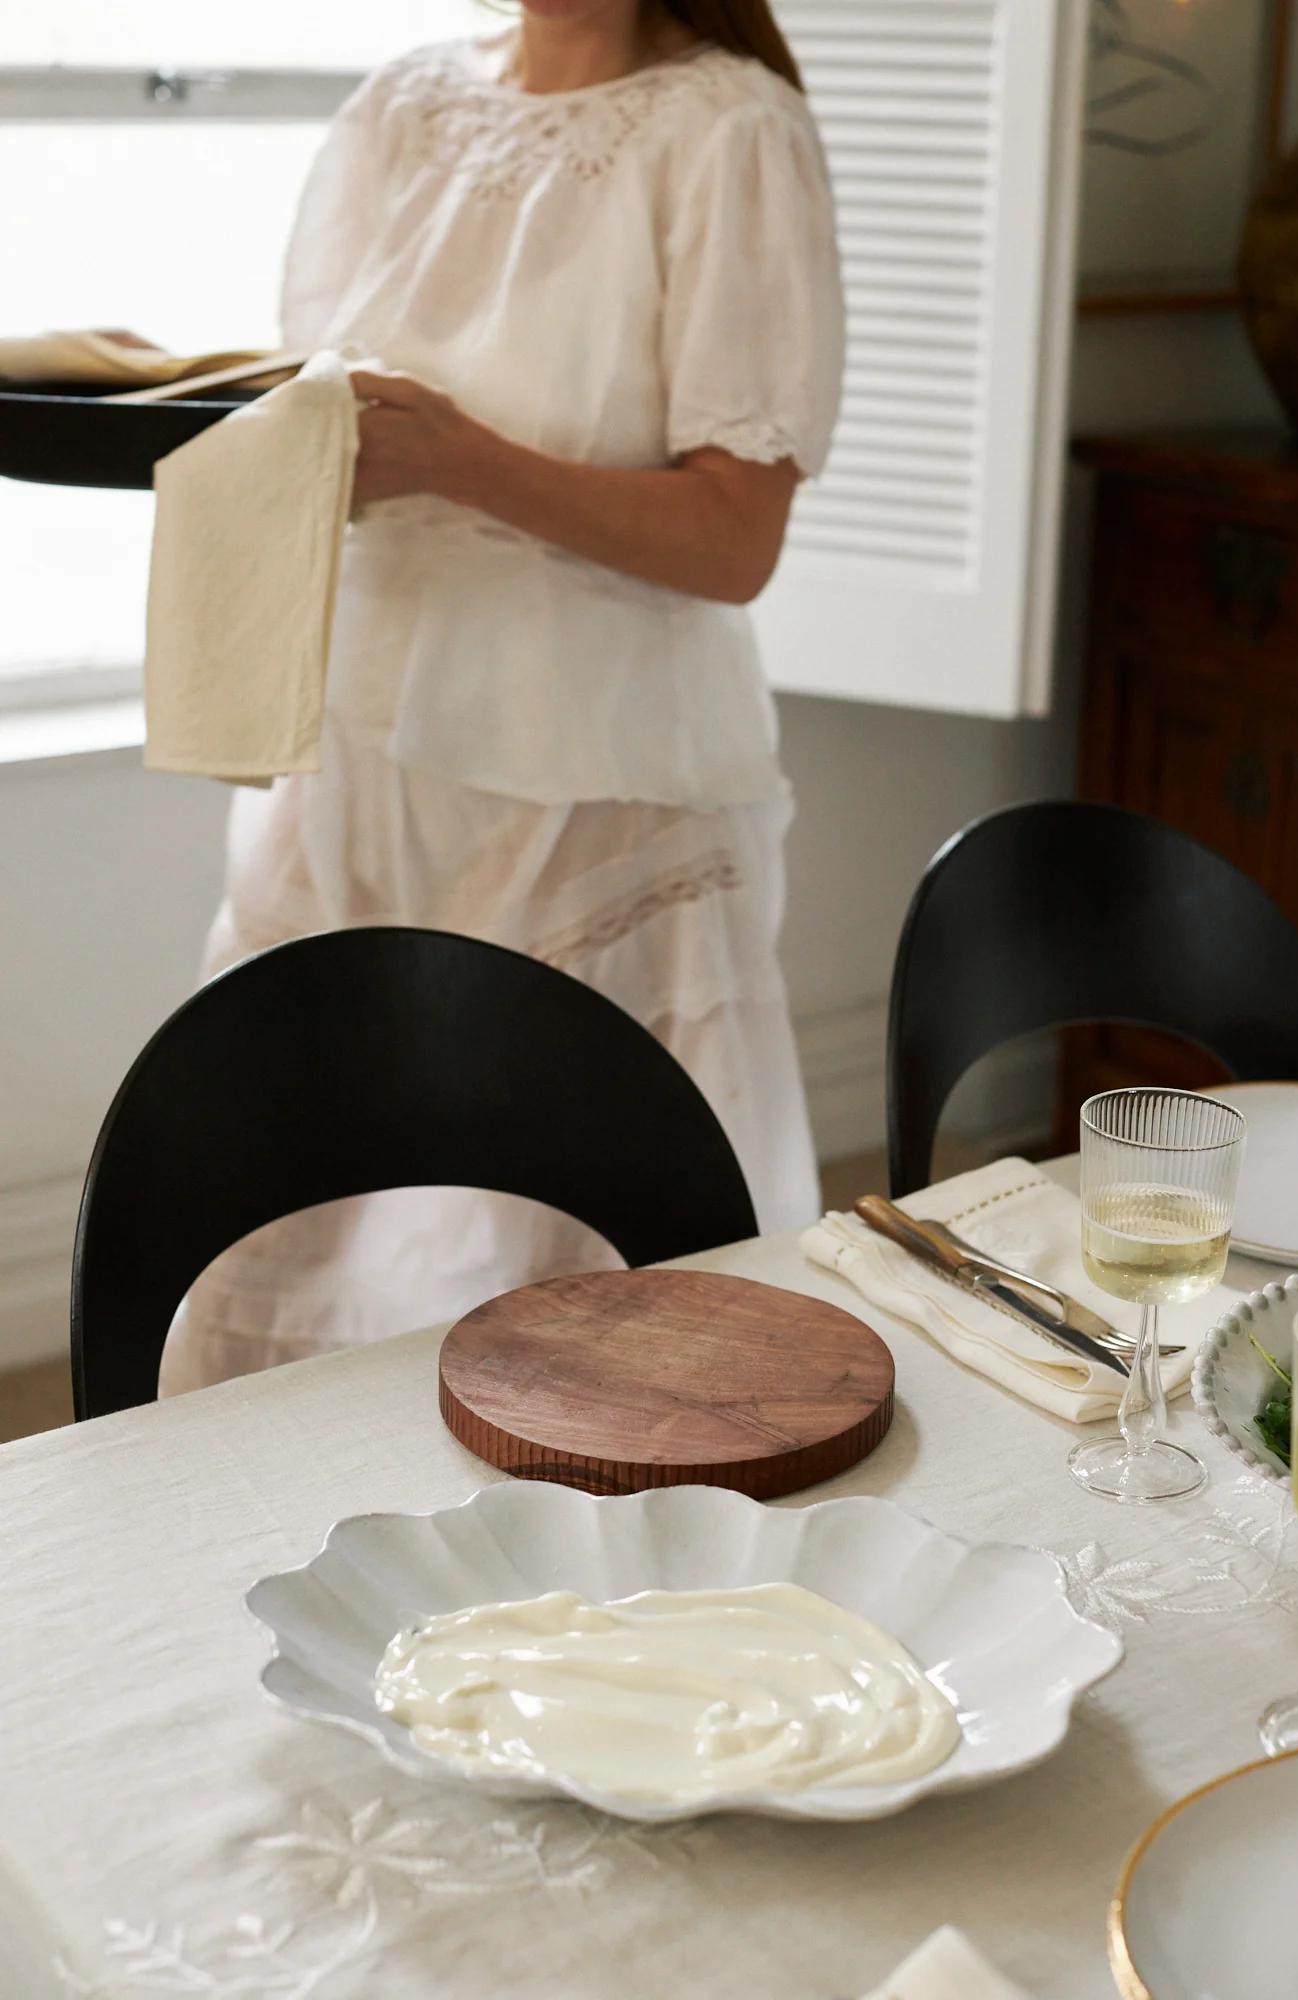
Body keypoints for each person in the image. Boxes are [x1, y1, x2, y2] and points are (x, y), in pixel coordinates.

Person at [158, 0, 845, 1394]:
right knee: (298, 1211)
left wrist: (465, 461)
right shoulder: (402, 104)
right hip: (352, 752)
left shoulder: (728, 130)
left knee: (559, 1306)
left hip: (590, 778)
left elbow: (733, 540)